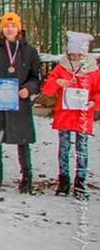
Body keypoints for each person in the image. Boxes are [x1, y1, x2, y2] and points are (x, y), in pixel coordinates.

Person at [0, 13, 41, 194]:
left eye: (13, 26)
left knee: (23, 141)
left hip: (20, 103)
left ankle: (27, 177)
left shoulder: (30, 52)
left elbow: (36, 78)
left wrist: (28, 89)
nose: (9, 29)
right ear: (1, 29)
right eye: (6, 26)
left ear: (19, 28)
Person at [41, 31, 100, 201]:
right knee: (64, 149)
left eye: (78, 54)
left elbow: (98, 92)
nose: (74, 57)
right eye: (72, 54)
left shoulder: (93, 71)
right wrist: (57, 82)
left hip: (82, 115)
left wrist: (93, 103)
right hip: (65, 113)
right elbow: (47, 89)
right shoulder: (61, 68)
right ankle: (64, 181)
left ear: (84, 53)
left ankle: (80, 182)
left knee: (81, 149)